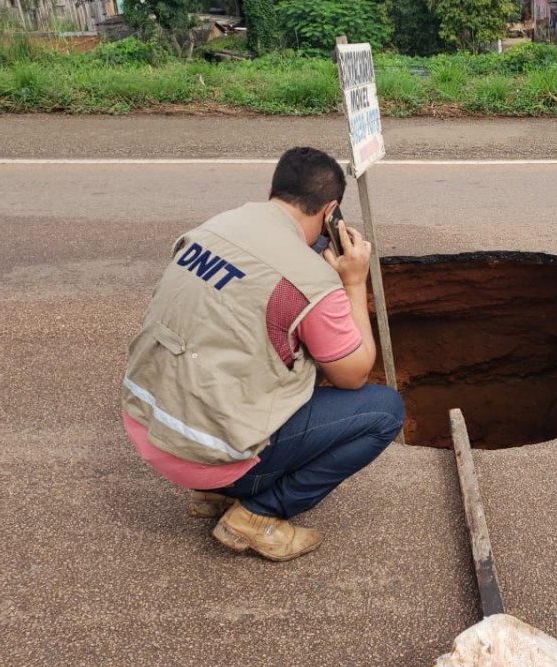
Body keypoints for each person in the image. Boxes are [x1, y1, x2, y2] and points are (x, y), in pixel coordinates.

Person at [121, 147, 405, 562]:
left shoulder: (214, 228)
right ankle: (258, 514)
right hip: (208, 455)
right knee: (385, 412)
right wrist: (354, 282)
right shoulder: (310, 279)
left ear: (272, 191)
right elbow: (354, 374)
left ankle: (214, 495)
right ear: (331, 212)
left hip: (148, 428)